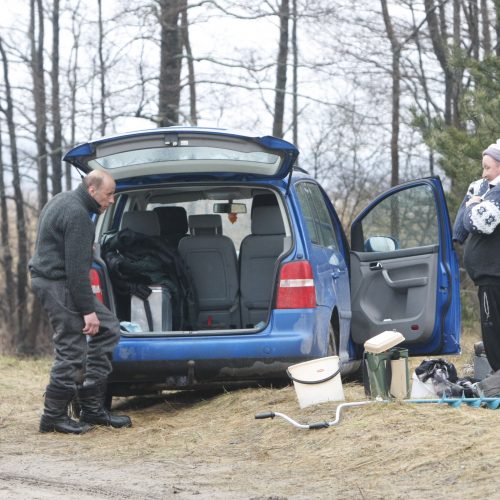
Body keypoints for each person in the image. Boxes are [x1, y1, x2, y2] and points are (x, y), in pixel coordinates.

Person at [29, 170, 131, 434]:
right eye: (109, 194)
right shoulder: (78, 216)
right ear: (91, 190)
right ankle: (52, 417)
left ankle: (92, 409)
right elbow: (77, 273)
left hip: (56, 280)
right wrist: (88, 311)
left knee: (109, 327)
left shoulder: (62, 199)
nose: (111, 200)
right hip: (56, 283)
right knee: (71, 346)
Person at [455, 139, 500, 383]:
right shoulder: (487, 190)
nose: (483, 174)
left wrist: (473, 204)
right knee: (492, 330)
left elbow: (478, 223)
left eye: (487, 168)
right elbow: (460, 227)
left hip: (494, 276)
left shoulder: (498, 192)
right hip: (489, 277)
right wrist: (474, 200)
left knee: (493, 330)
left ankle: (497, 380)